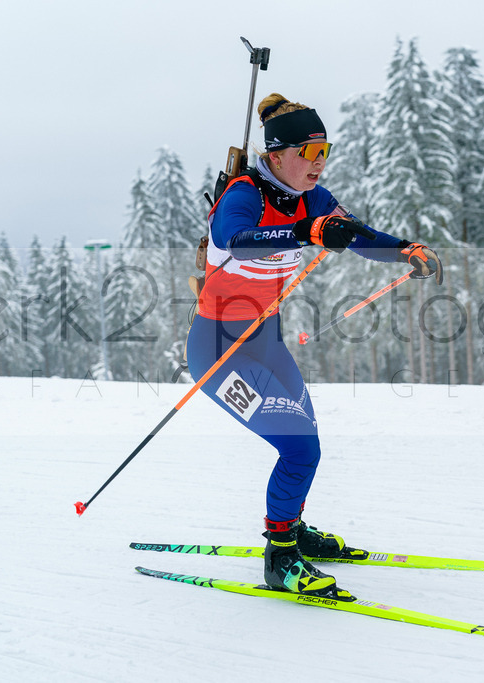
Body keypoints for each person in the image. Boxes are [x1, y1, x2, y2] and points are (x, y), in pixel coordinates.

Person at [185, 93, 443, 601]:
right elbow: (236, 239)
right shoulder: (244, 193)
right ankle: (280, 557)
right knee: (297, 446)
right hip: (218, 351)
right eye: (309, 151)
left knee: (309, 442)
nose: (319, 162)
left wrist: (405, 250)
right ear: (277, 155)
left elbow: (356, 235)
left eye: (325, 151)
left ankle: (293, 528)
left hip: (266, 341)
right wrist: (308, 230)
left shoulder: (315, 198)